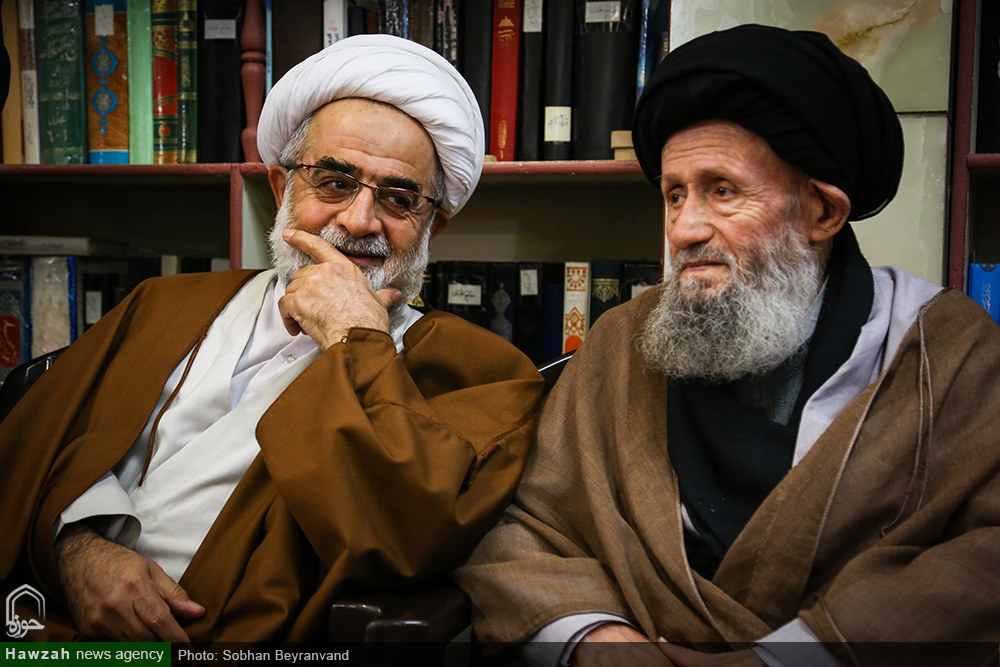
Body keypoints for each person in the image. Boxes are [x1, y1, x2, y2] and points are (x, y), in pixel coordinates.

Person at [455, 24, 1000, 667]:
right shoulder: (620, 342)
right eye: (674, 194)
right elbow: (526, 528)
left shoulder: (941, 347)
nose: (685, 229)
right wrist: (599, 643)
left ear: (822, 213)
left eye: (722, 191)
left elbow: (981, 556)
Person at [0, 34, 543, 644]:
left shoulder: (483, 372)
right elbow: (34, 450)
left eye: (399, 199)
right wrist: (76, 545)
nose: (359, 221)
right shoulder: (165, 303)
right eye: (333, 182)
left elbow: (402, 538)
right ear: (283, 189)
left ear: (430, 227)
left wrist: (356, 336)